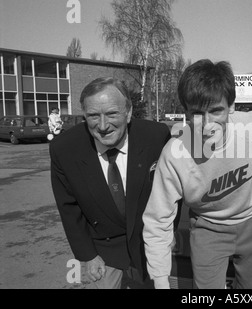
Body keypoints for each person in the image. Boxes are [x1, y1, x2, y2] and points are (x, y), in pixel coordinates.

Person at [142, 59, 252, 289]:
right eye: (196, 113)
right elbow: (158, 218)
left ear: (231, 107)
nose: (206, 124)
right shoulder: (175, 154)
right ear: (185, 111)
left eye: (216, 111)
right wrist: (161, 279)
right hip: (208, 228)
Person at [50, 77, 171, 289]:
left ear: (129, 112)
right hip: (102, 248)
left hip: (149, 243)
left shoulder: (156, 136)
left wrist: (168, 235)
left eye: (112, 113)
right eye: (93, 116)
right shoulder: (64, 149)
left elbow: (172, 192)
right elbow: (68, 208)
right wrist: (87, 256)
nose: (103, 126)